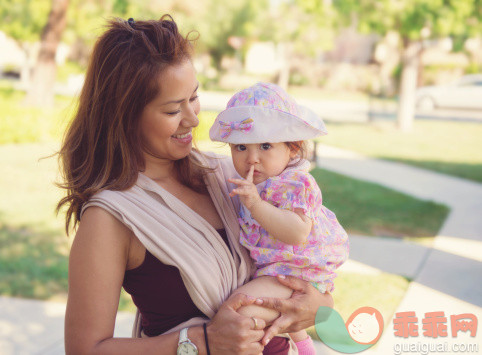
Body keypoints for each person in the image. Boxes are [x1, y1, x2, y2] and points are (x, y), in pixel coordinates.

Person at [58, 16, 334, 355]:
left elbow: (303, 263)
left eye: (194, 97)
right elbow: (85, 350)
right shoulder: (112, 217)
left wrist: (318, 304)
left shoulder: (228, 176)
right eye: (174, 109)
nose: (193, 118)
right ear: (125, 115)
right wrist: (202, 341)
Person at [209, 82, 349, 354]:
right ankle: (306, 348)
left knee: (240, 308)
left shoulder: (296, 184)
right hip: (278, 267)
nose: (252, 159)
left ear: (293, 148)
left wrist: (255, 204)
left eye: (265, 145)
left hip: (296, 269)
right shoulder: (254, 184)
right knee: (274, 308)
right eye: (240, 147)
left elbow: (297, 233)